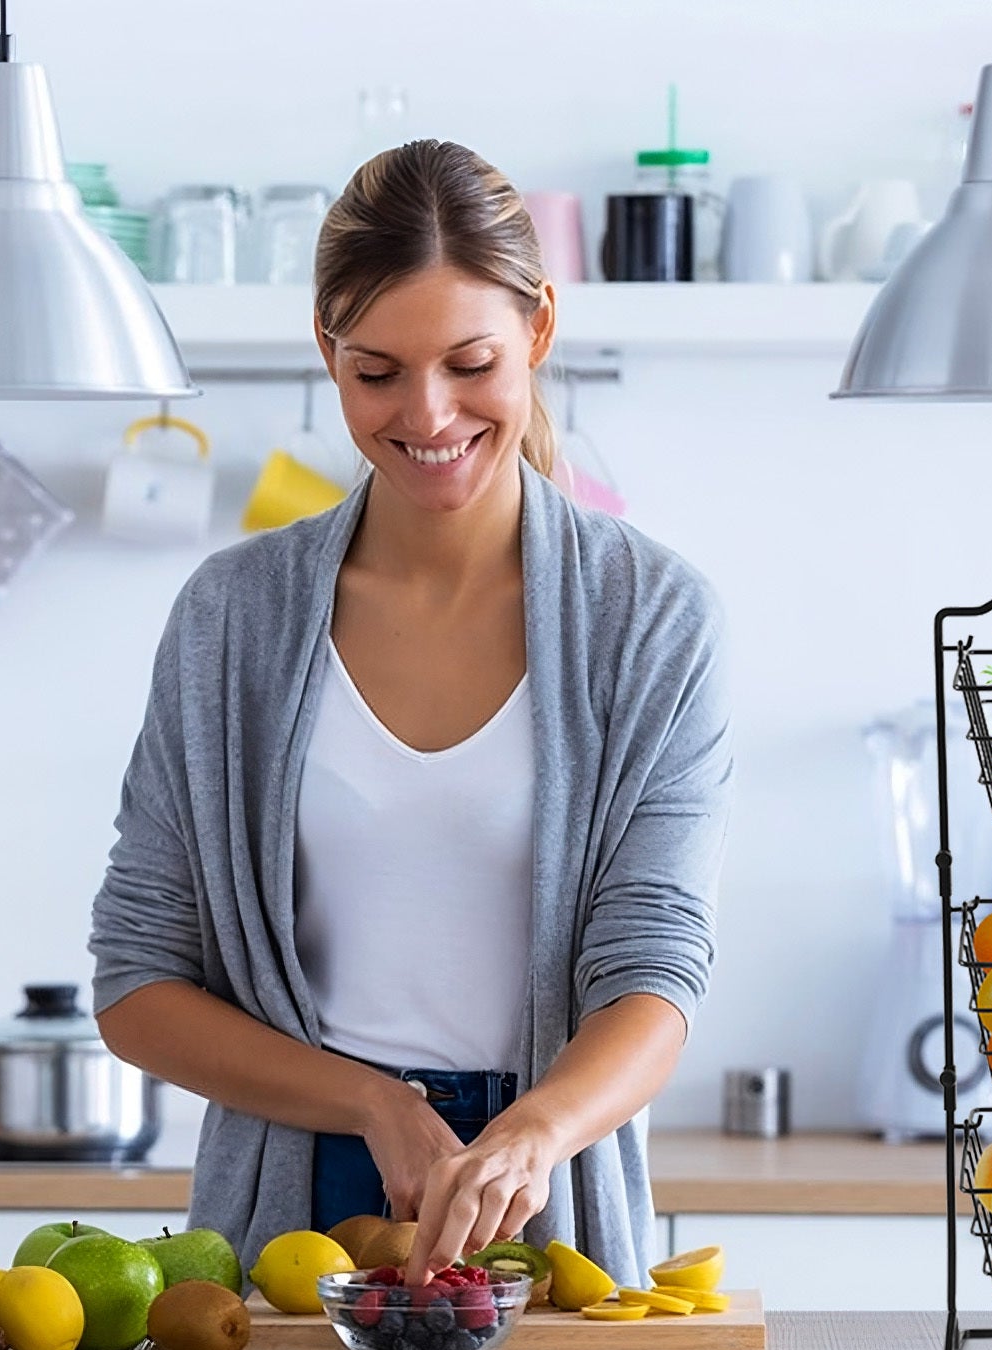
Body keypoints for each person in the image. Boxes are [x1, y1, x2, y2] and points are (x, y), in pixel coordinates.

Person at [90, 139, 732, 1288]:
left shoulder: (652, 616)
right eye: (376, 371)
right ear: (327, 356)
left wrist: (537, 1130)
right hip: (293, 1192)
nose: (426, 415)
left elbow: (657, 970)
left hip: (545, 1180)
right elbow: (138, 985)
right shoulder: (230, 619)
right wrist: (370, 1102)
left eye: (469, 361)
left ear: (538, 331)